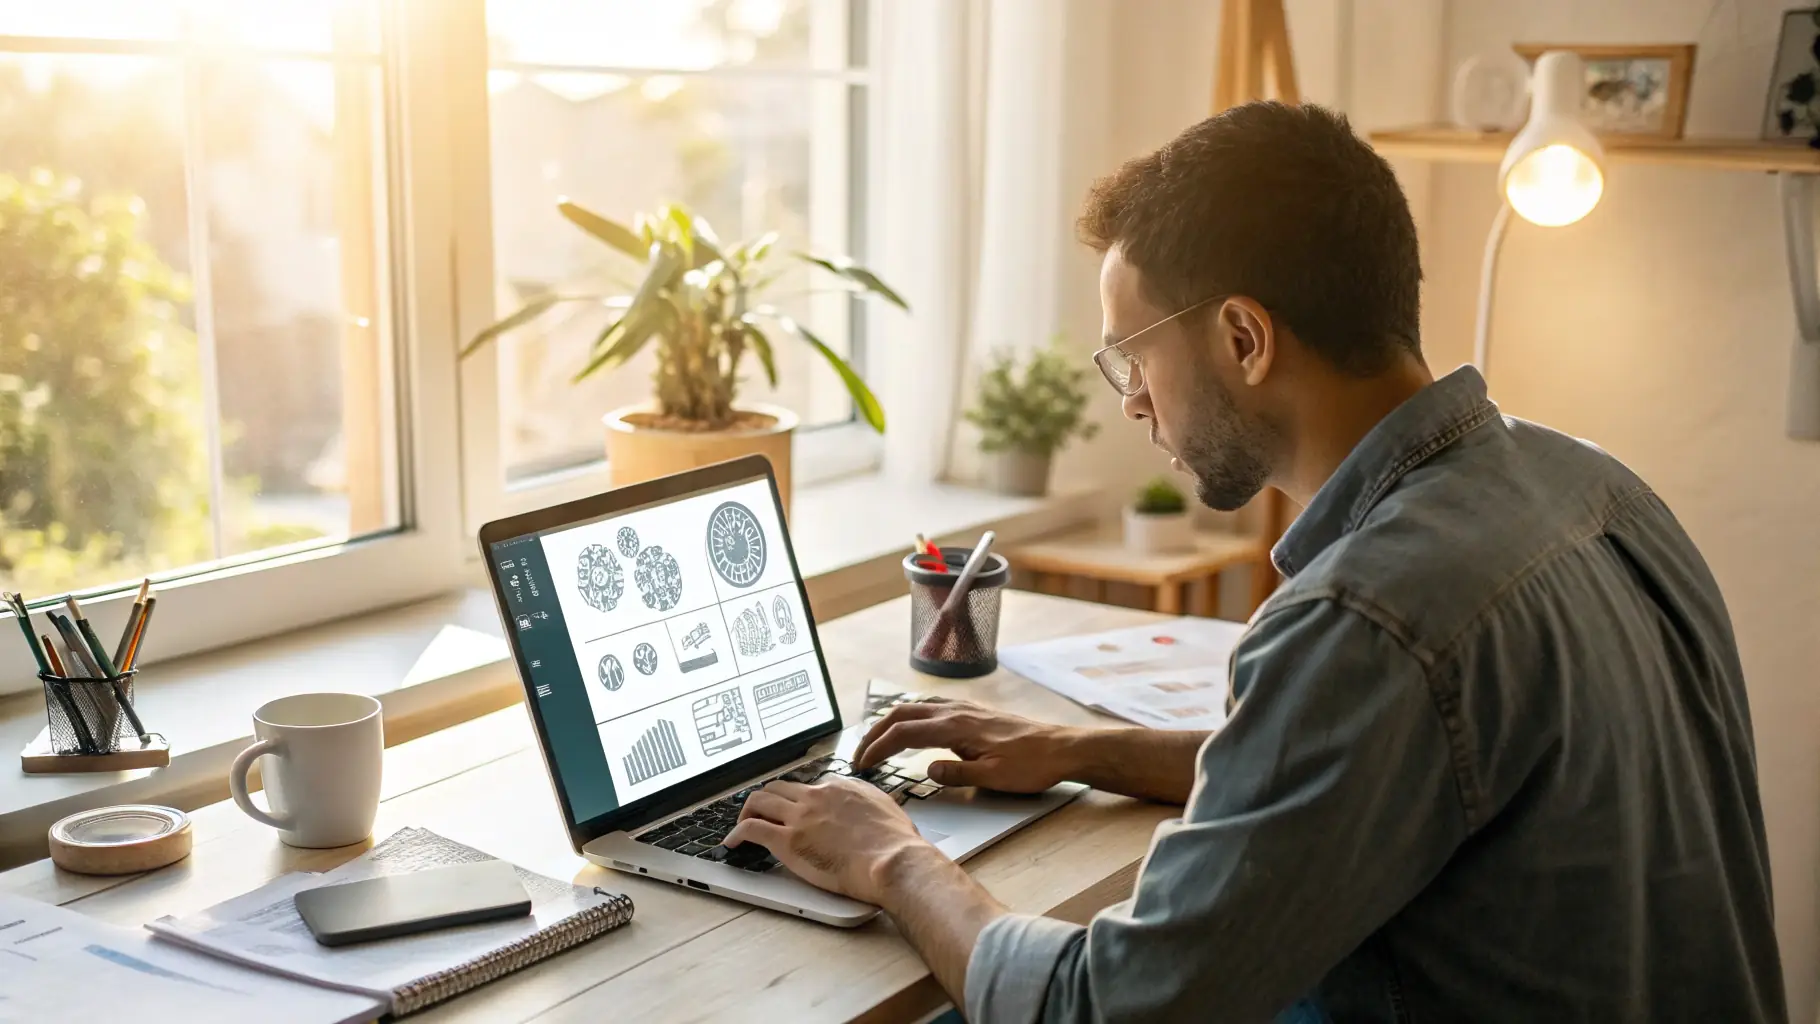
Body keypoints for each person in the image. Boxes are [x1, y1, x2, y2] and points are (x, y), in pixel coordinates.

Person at [724, 101, 1786, 1022]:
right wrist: (1077, 750)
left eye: (1132, 357)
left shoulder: (1367, 617)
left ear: (1241, 338)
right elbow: (1383, 775)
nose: (1132, 399)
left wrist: (893, 857)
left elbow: (1104, 1009)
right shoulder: (1596, 487)